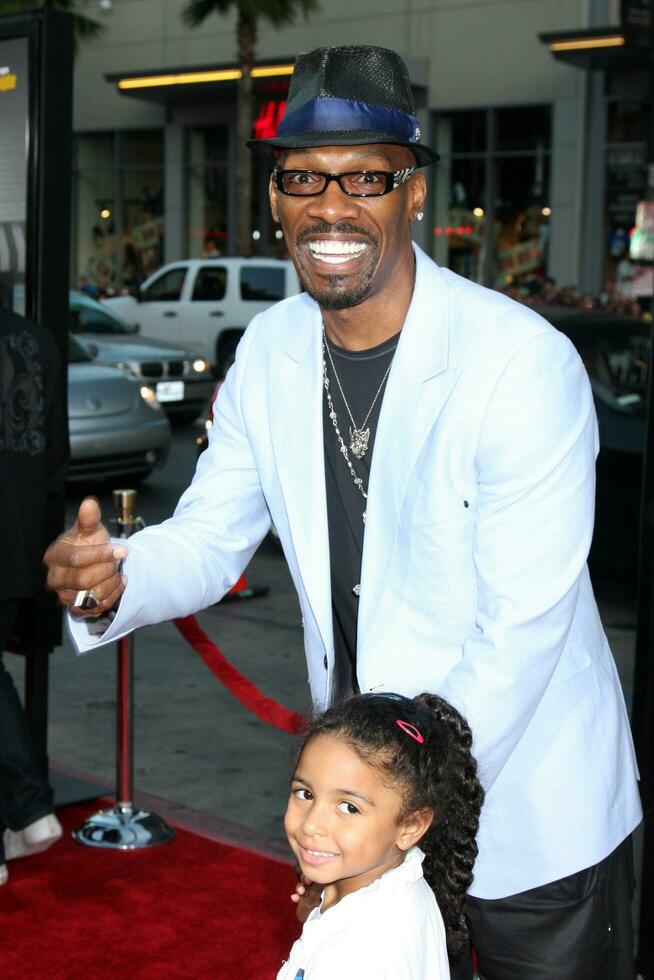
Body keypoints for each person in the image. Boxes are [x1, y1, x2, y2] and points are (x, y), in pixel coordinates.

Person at [44, 45, 641, 978]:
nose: (332, 205)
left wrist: (381, 802)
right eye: (304, 178)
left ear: (413, 195)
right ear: (276, 199)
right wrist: (118, 577)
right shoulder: (272, 347)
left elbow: (522, 624)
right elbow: (210, 532)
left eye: (367, 176)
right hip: (364, 816)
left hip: (530, 808)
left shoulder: (521, 363)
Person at [278, 691, 483, 979]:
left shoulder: (356, 958)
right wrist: (326, 905)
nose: (312, 824)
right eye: (306, 793)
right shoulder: (399, 882)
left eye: (349, 807)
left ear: (411, 827)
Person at [0, 305, 68, 885]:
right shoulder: (35, 339)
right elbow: (54, 458)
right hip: (19, 542)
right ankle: (28, 810)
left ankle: (27, 809)